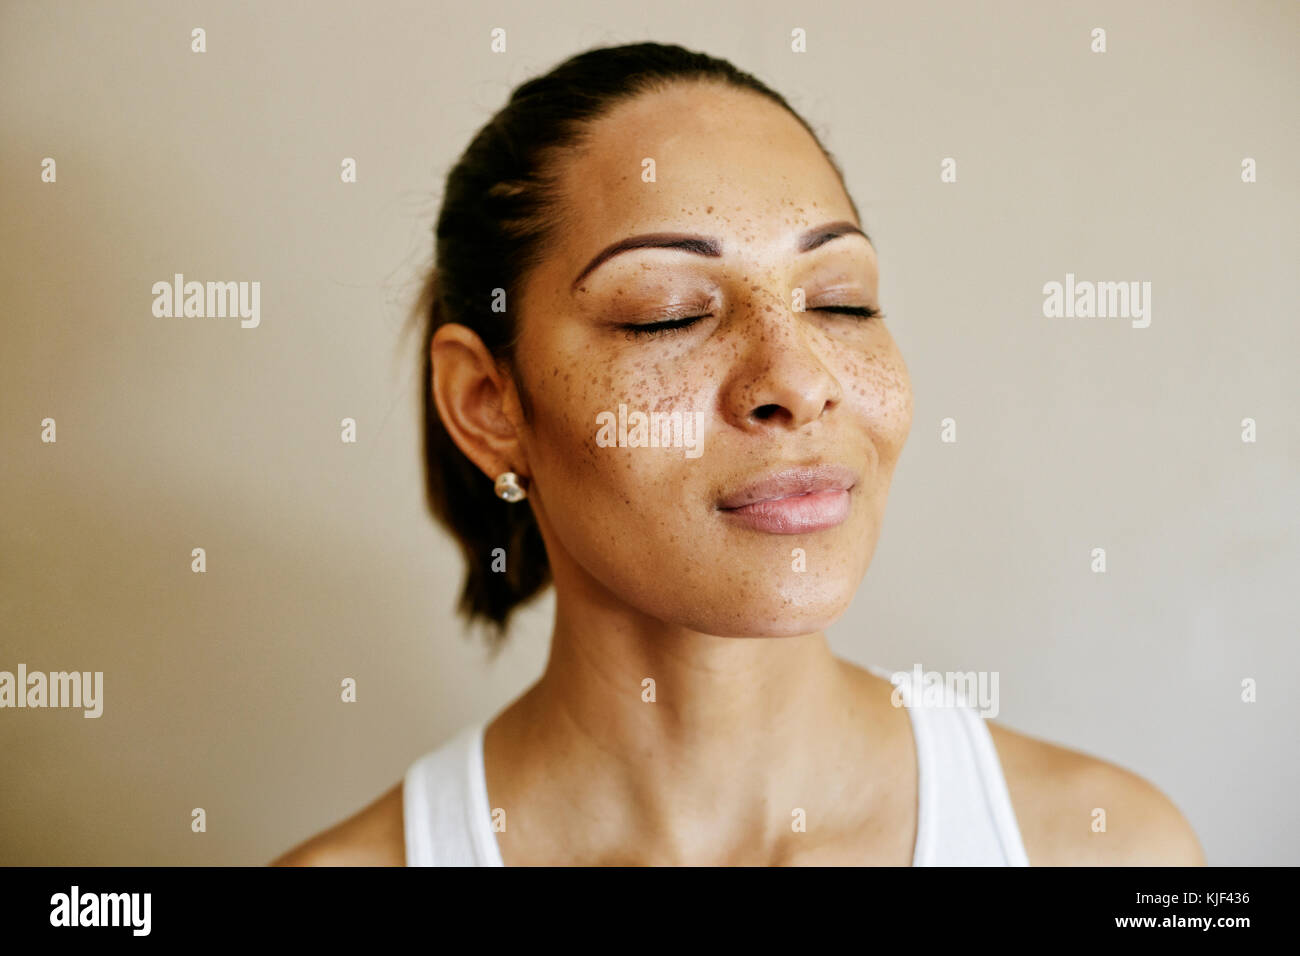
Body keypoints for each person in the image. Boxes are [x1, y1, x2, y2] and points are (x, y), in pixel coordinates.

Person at [273, 42, 1204, 866]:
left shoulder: (1117, 853)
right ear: (488, 406)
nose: (799, 380)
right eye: (668, 312)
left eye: (841, 299)